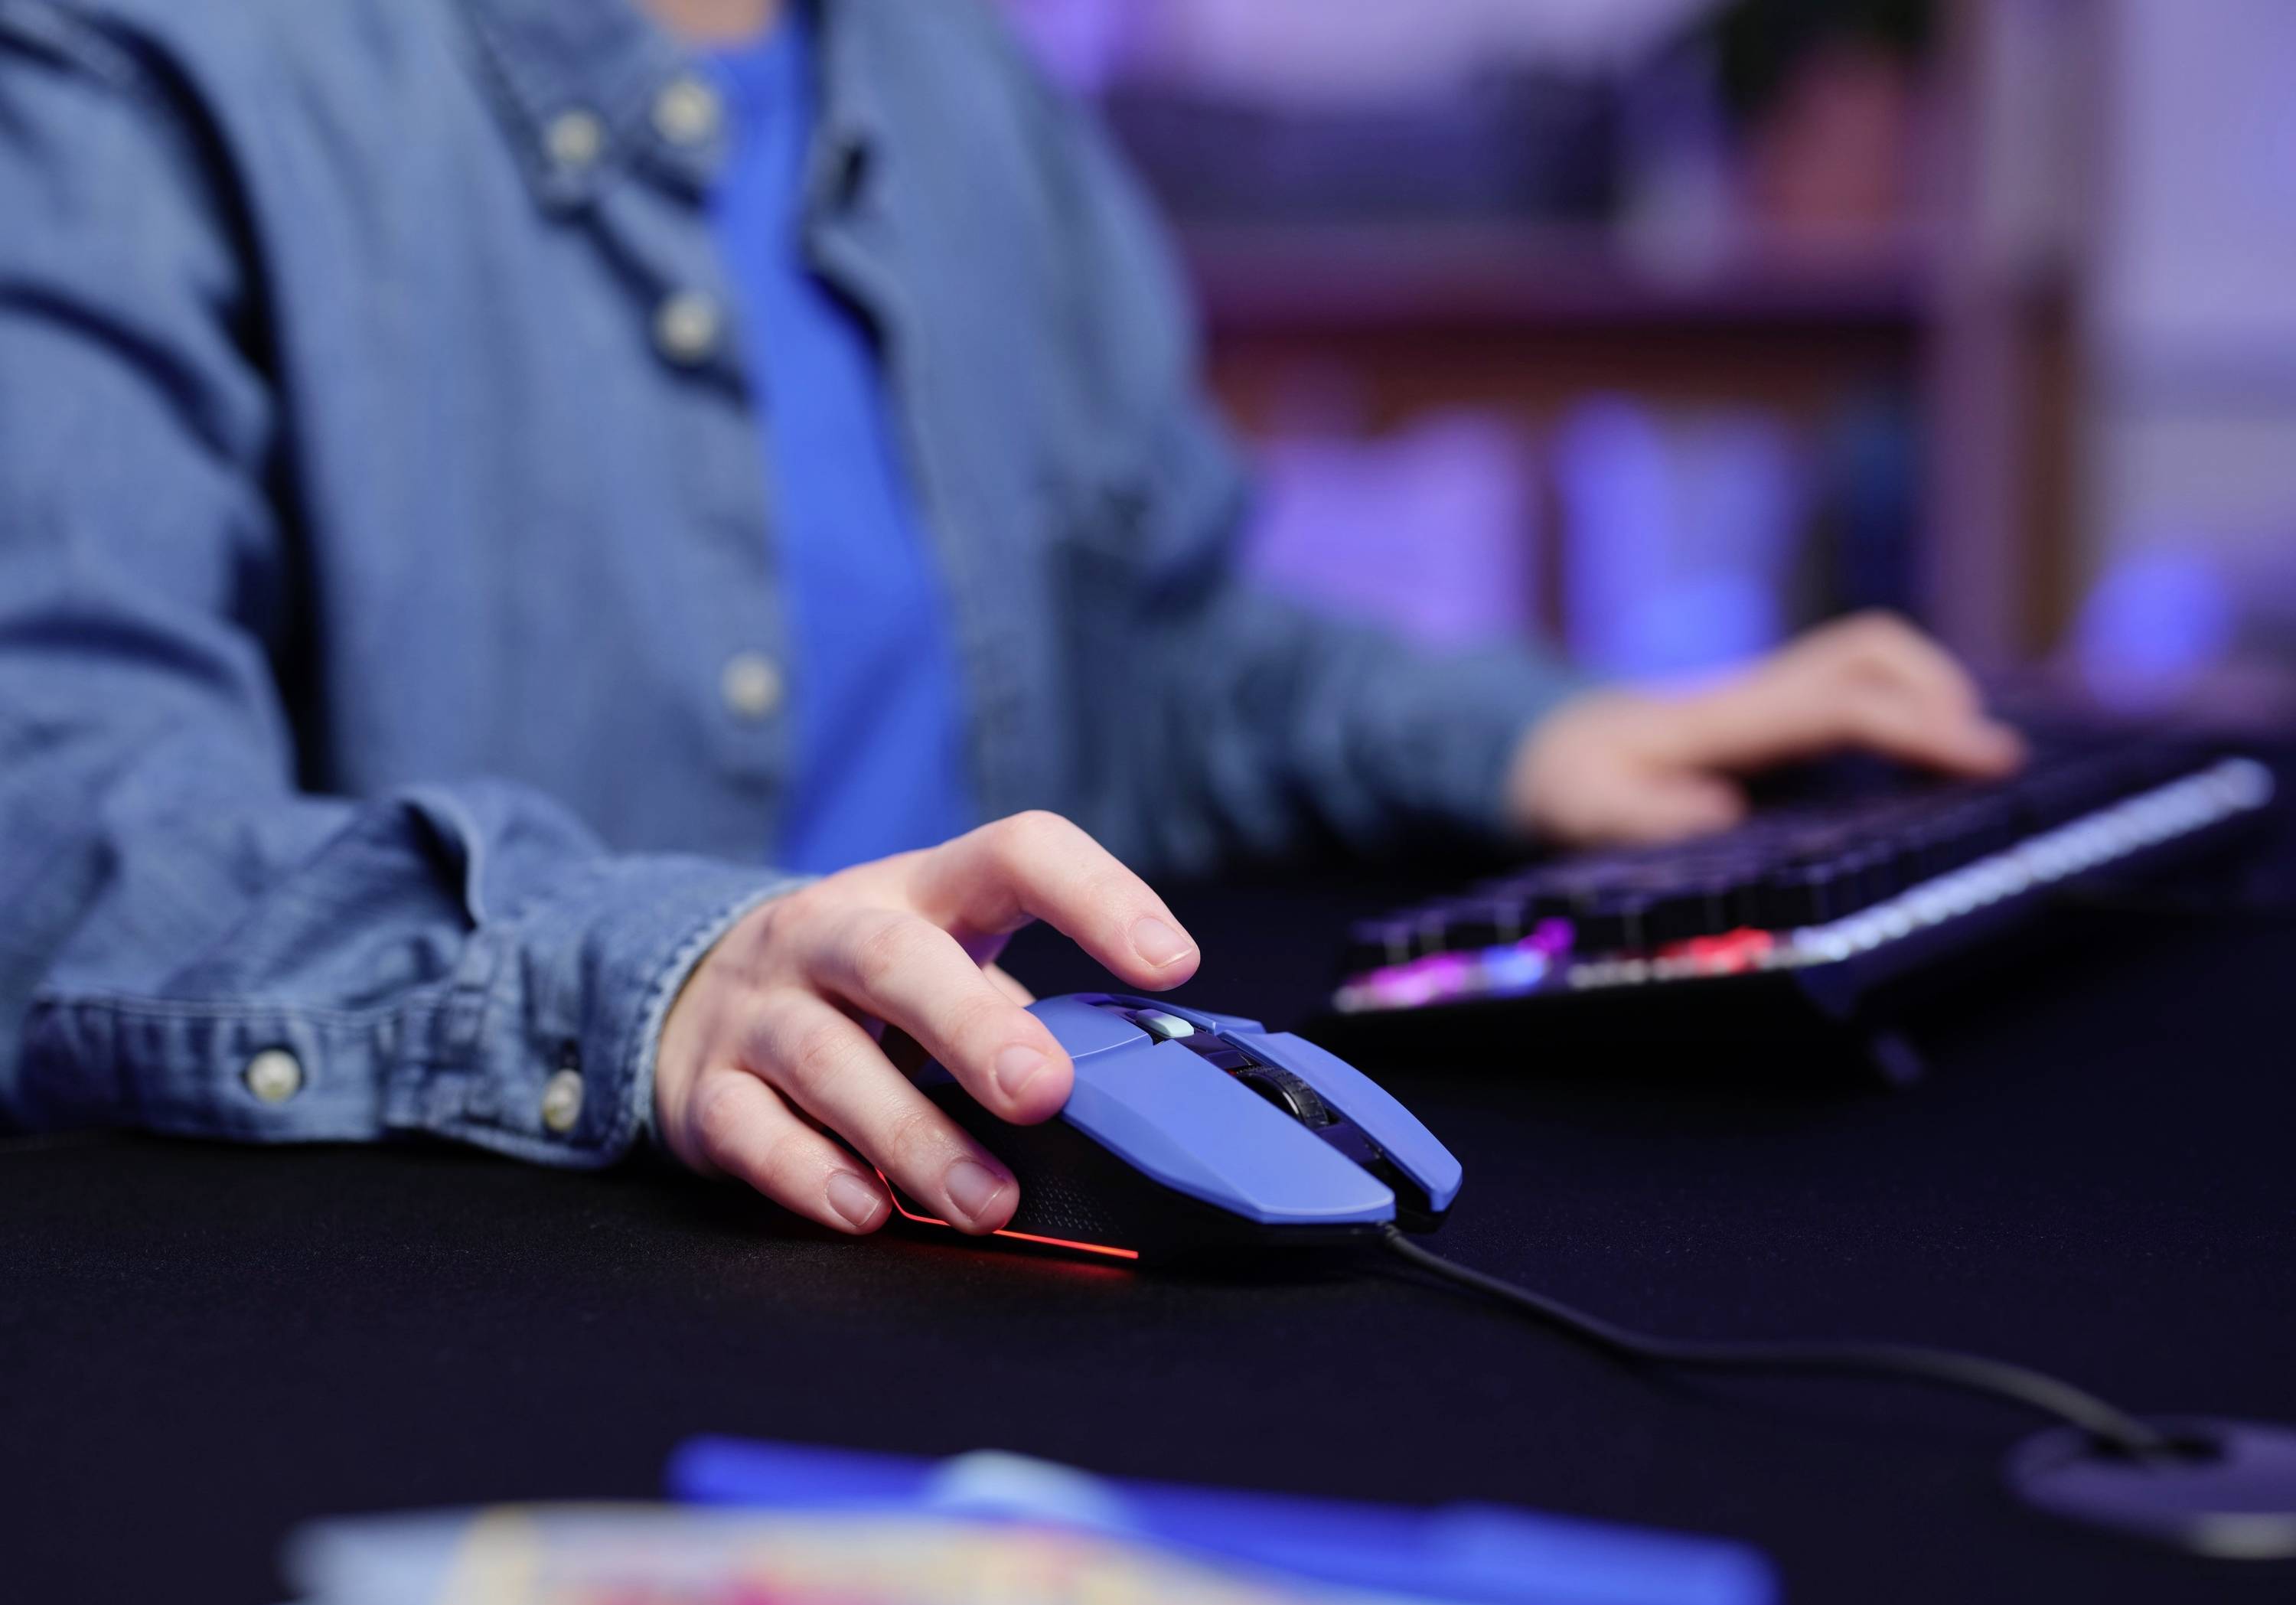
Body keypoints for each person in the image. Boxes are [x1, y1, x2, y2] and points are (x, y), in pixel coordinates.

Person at [0, 0, 2021, 1241]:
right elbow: (63, 845)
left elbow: (1134, 658)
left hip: (980, 1222)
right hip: (459, 1291)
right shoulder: (131, 66)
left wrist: (1519, 738)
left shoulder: (952, 75)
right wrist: (652, 981)